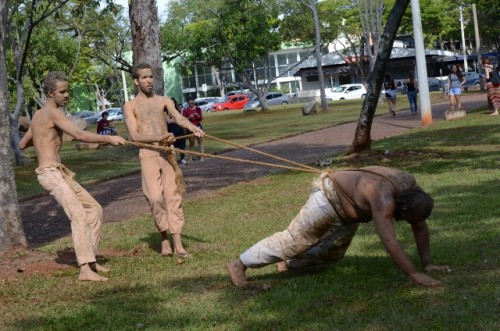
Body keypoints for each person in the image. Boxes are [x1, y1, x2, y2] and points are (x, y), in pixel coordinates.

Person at [228, 166, 450, 288]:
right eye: (408, 220)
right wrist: (413, 273)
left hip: (348, 213)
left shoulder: (410, 188)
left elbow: (420, 227)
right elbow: (389, 240)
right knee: (293, 241)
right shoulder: (383, 199)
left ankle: (289, 263)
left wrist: (427, 264)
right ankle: (239, 264)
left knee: (333, 253)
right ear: (400, 209)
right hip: (328, 198)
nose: (412, 224)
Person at [19, 71, 126, 282]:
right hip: (50, 173)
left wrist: (43, 137)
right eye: (63, 91)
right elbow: (79, 135)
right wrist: (109, 139)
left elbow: (23, 144)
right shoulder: (52, 113)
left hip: (58, 172)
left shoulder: (38, 116)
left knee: (94, 208)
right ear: (51, 93)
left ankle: (91, 259)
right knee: (78, 214)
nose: (67, 95)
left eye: (67, 91)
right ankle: (85, 270)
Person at [123, 63, 204, 257]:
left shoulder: (164, 101)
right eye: (144, 77)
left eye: (151, 77)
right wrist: (158, 138)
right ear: (136, 81)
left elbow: (177, 117)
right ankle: (164, 238)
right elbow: (134, 136)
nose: (149, 81)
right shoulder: (130, 106)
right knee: (155, 198)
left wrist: (193, 128)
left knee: (173, 196)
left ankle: (178, 245)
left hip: (167, 153)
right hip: (148, 154)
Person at [166, 98, 187, 165]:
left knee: (182, 145)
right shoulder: (166, 111)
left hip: (179, 130)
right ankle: (173, 161)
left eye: (173, 102)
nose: (172, 104)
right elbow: (168, 121)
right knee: (172, 145)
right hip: (171, 131)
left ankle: (182, 159)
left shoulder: (177, 111)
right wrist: (176, 120)